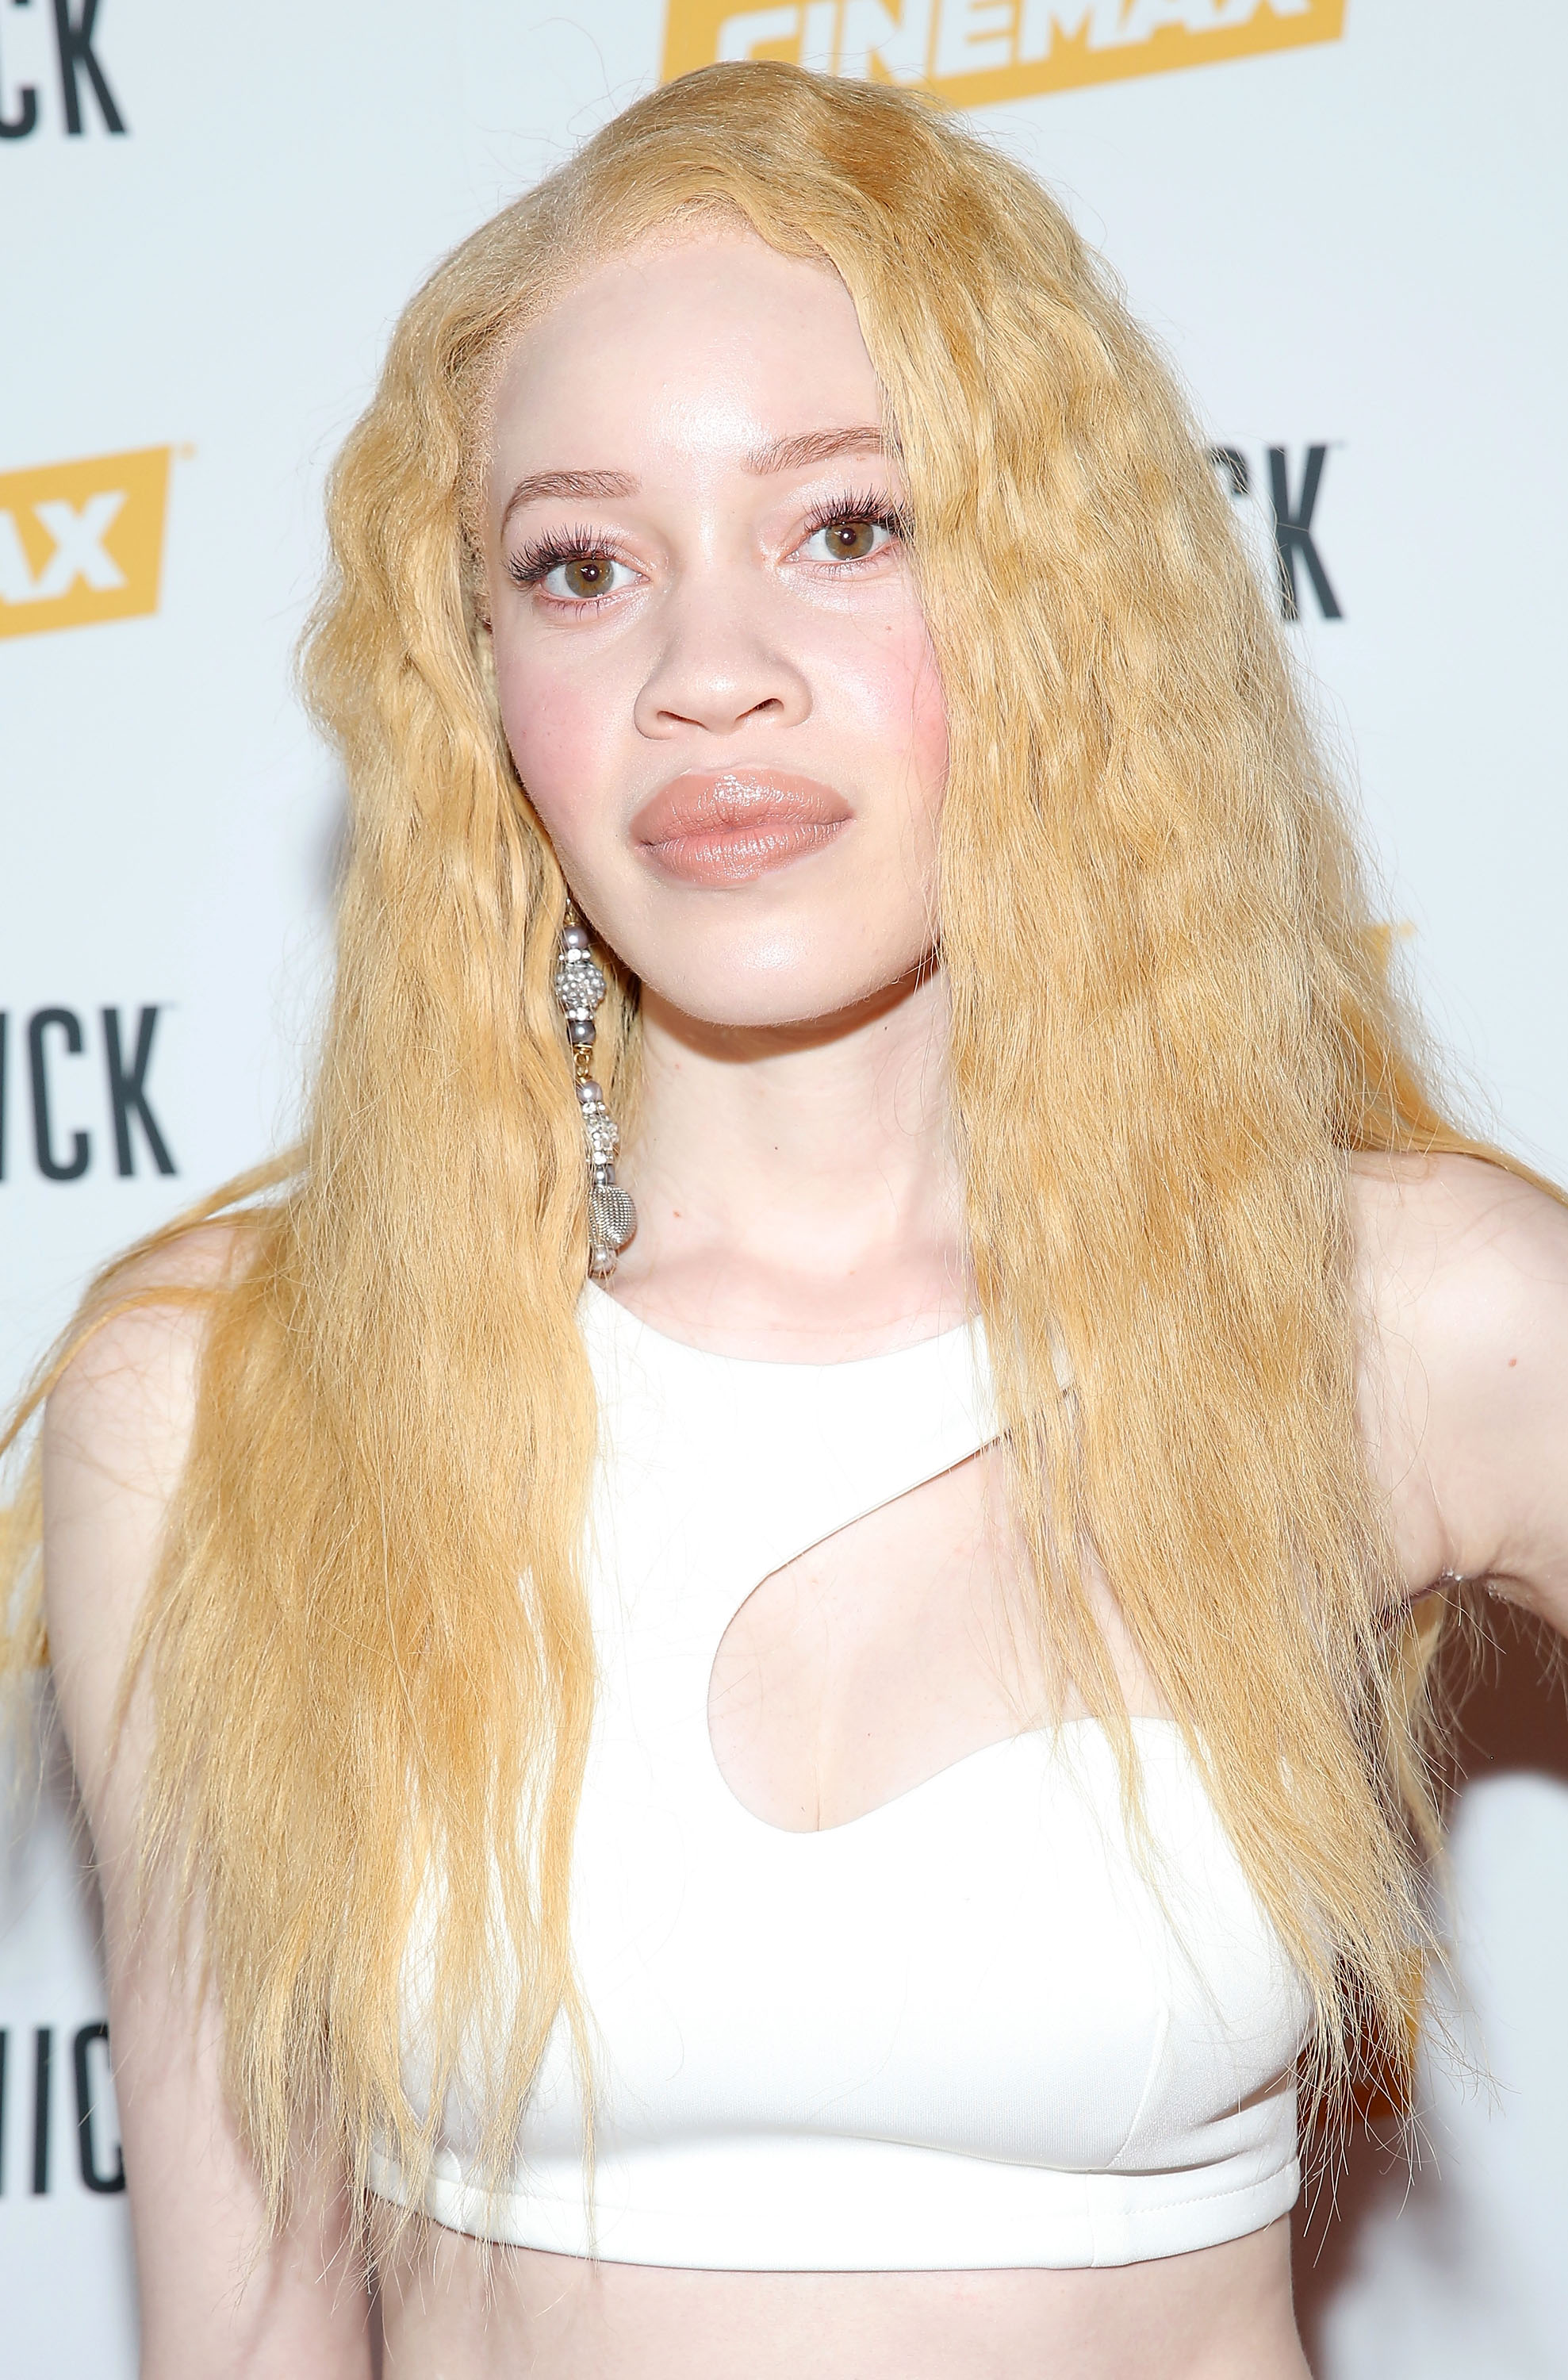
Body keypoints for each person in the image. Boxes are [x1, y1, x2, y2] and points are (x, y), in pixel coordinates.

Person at [7, 58, 1567, 2380]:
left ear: (1059, 603)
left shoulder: (1400, 1320)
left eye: (847, 527)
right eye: (579, 564)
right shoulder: (223, 1398)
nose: (700, 671)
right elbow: (243, 2342)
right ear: (486, 697)